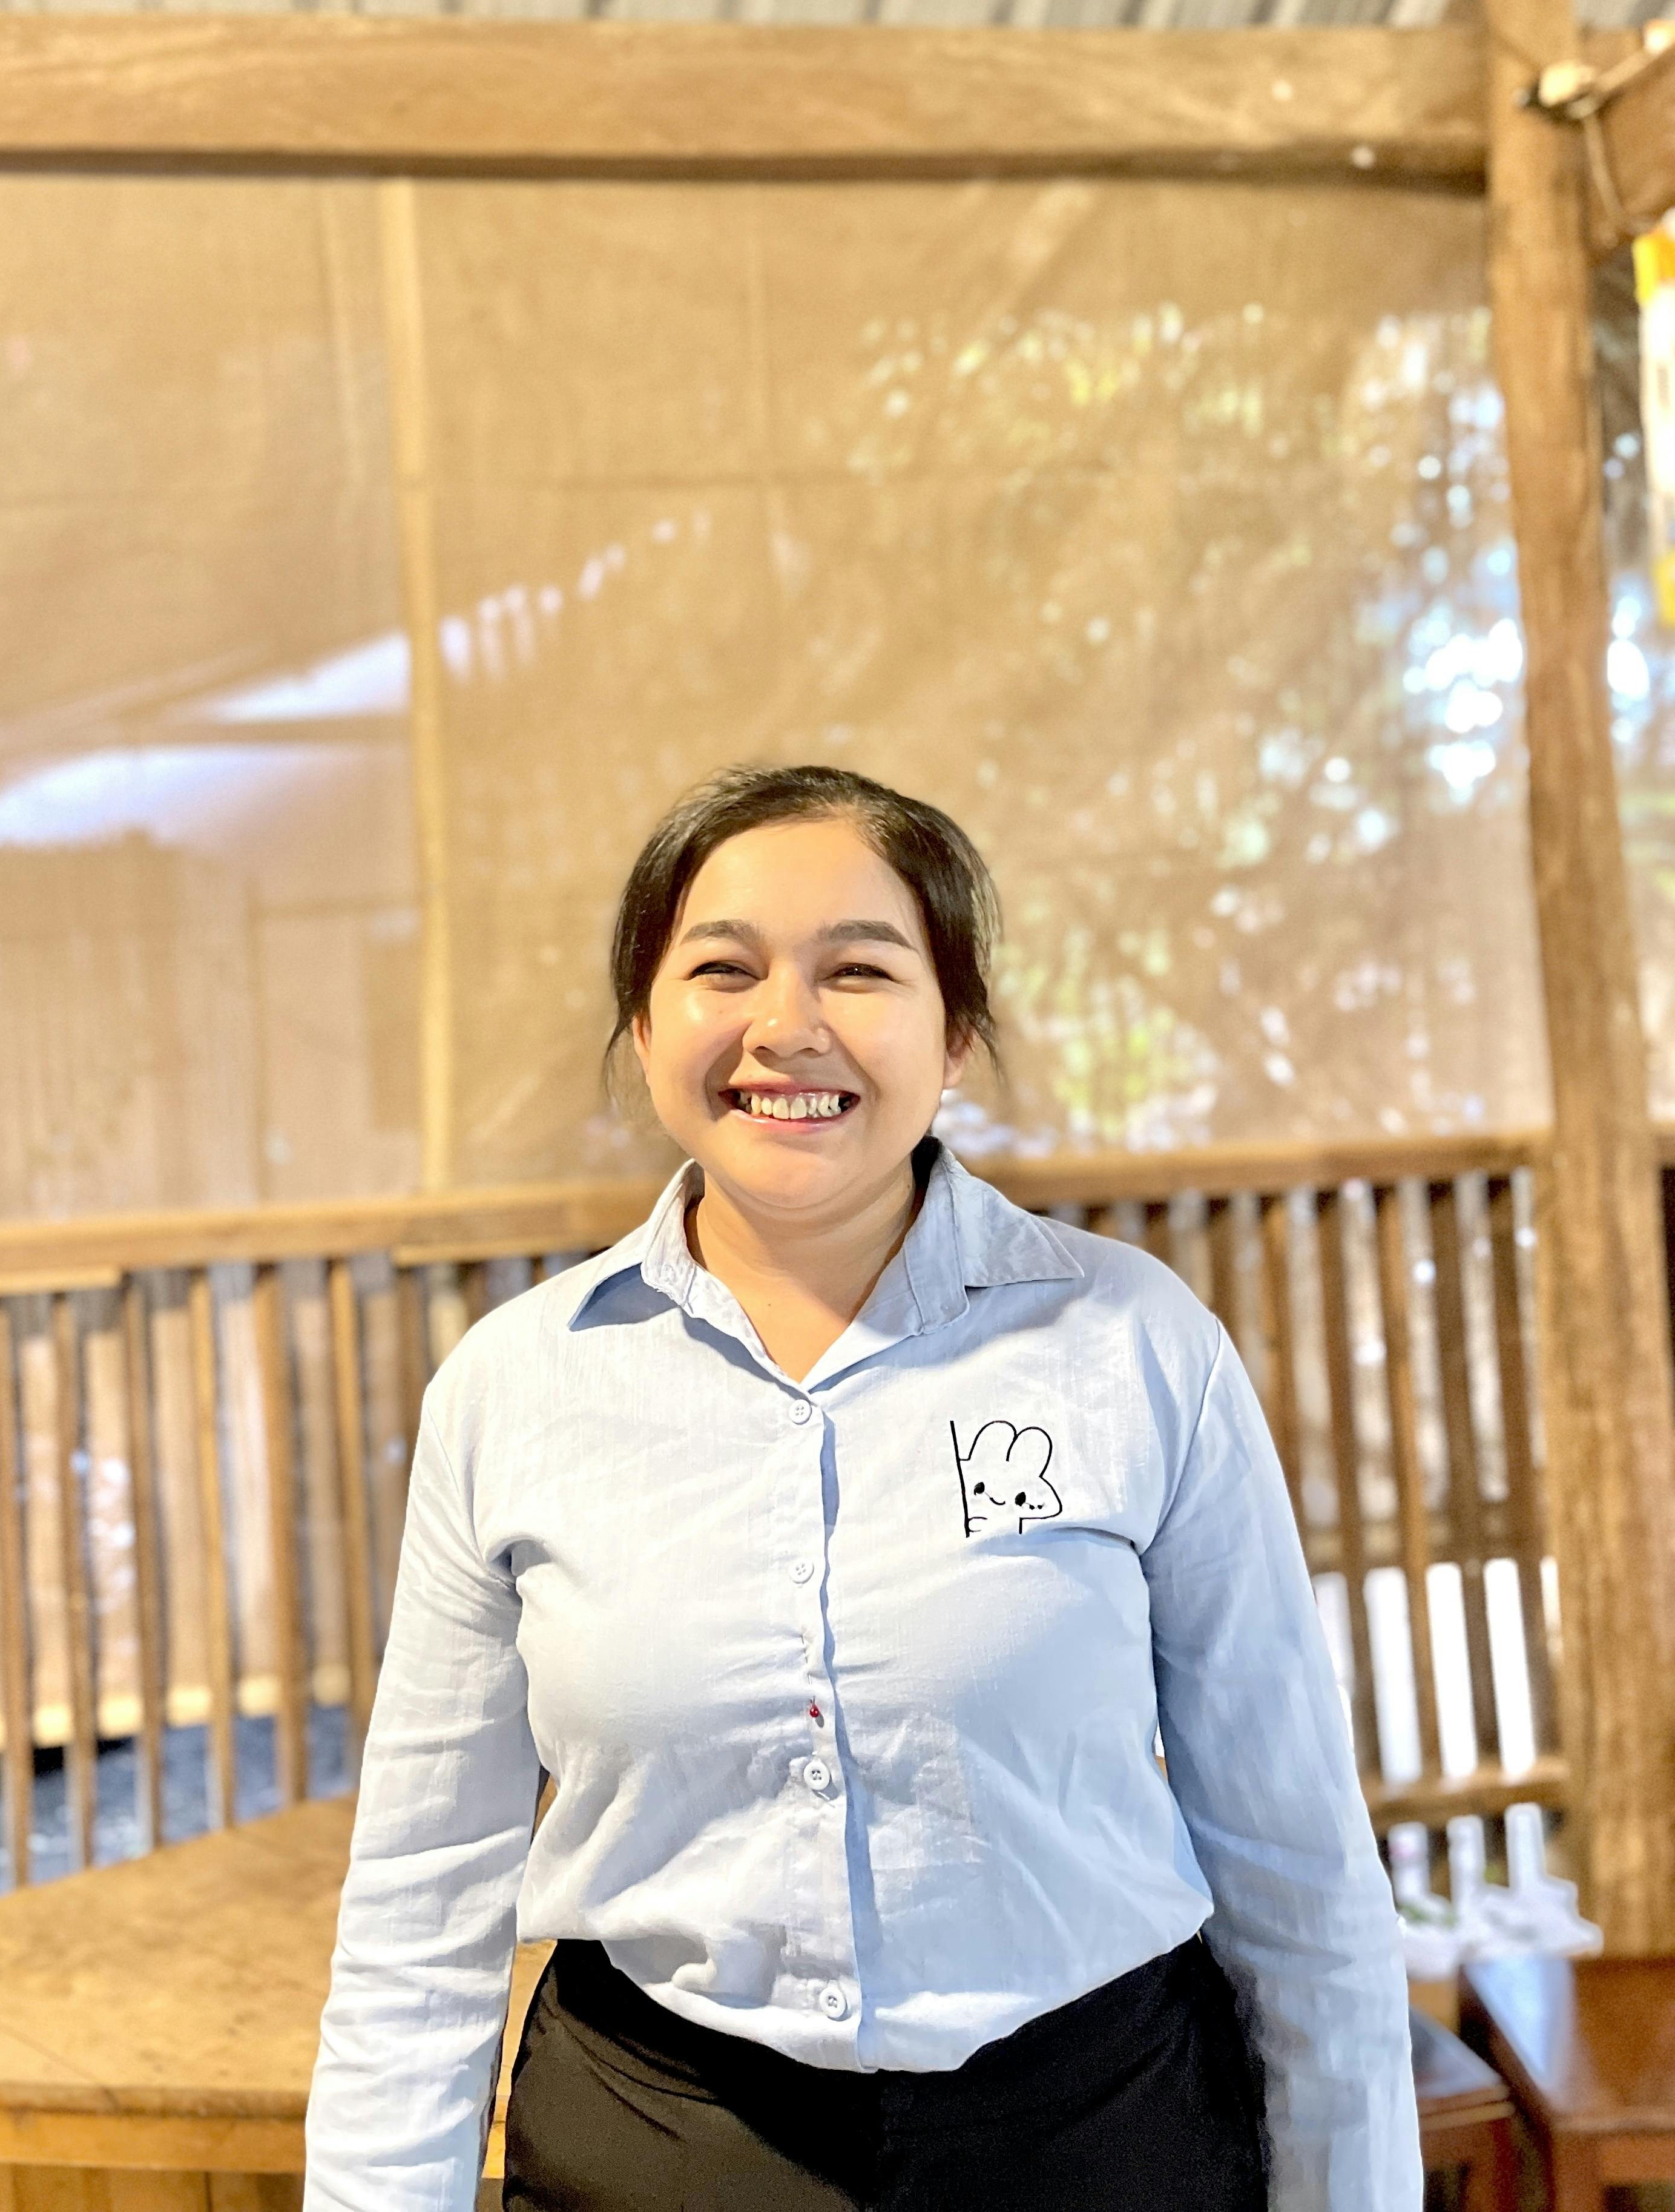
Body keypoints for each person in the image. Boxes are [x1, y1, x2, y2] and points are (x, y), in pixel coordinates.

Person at [305, 763, 1420, 2212]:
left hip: (1096, 2134)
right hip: (662, 2144)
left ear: (954, 1033)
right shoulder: (515, 1388)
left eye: (859, 970)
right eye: (723, 970)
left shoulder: (1135, 1347)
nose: (787, 1026)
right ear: (645, 1026)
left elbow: (1297, 1860)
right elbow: (423, 1893)